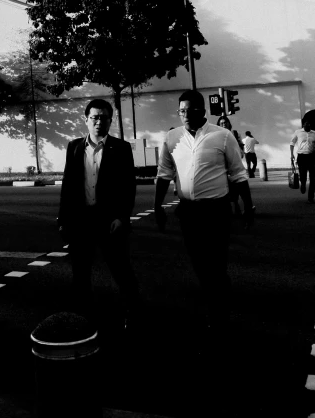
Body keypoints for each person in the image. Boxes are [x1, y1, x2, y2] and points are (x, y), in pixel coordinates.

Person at [154, 90, 254, 340]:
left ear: (203, 111)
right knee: (199, 260)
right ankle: (217, 293)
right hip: (189, 211)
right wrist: (157, 206)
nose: (186, 115)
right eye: (182, 111)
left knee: (216, 262)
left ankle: (218, 314)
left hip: (216, 210)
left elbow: (238, 174)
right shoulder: (171, 137)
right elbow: (164, 173)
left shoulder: (222, 136)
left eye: (192, 110)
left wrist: (247, 207)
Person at [58, 99, 139, 330]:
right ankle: (83, 319)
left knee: (121, 269)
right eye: (94, 117)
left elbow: (128, 187)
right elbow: (68, 186)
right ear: (86, 120)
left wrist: (122, 217)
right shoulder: (74, 147)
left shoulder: (121, 148)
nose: (98, 122)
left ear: (110, 121)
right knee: (80, 273)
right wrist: (63, 220)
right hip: (80, 221)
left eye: (104, 117)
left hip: (109, 220)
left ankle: (132, 312)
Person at [290, 119, 315, 203]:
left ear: (310, 126)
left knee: (313, 178)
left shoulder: (314, 133)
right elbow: (292, 143)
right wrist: (292, 154)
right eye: (306, 125)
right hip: (302, 157)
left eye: (309, 125)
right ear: (303, 125)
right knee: (303, 175)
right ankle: (303, 184)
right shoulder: (298, 132)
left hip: (312, 157)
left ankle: (311, 197)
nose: (307, 126)